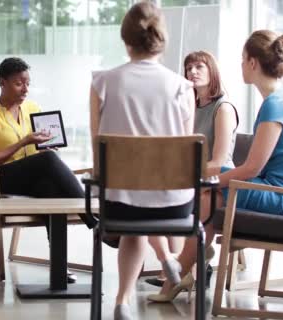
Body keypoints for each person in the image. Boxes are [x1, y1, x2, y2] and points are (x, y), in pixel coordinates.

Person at [151, 30, 283, 303]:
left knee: (209, 194)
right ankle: (188, 267)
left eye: (243, 59)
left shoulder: (275, 105)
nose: (241, 65)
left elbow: (252, 169)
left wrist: (208, 181)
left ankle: (183, 270)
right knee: (210, 194)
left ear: (253, 63)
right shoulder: (277, 100)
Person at [89, 3, 195, 319]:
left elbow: (98, 150)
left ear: (126, 40)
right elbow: (184, 153)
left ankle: (122, 301)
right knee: (148, 195)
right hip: (175, 204)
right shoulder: (183, 87)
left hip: (120, 202)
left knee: (132, 211)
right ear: (161, 39)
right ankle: (167, 260)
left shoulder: (102, 83)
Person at [0, 57, 97, 283]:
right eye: (19, 83)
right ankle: (94, 219)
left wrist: (48, 147)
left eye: (28, 83)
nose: (26, 89)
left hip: (27, 178)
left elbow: (41, 154)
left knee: (51, 187)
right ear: (2, 82)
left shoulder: (33, 109)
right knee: (48, 161)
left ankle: (59, 264)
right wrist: (23, 143)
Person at [145, 50, 239, 288]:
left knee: (170, 195)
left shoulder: (223, 107)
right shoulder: (191, 106)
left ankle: (180, 269)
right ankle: (183, 266)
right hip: (195, 178)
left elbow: (219, 161)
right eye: (189, 68)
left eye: (199, 67)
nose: (192, 72)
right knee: (152, 192)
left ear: (212, 71)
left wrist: (182, 174)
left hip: (220, 182)